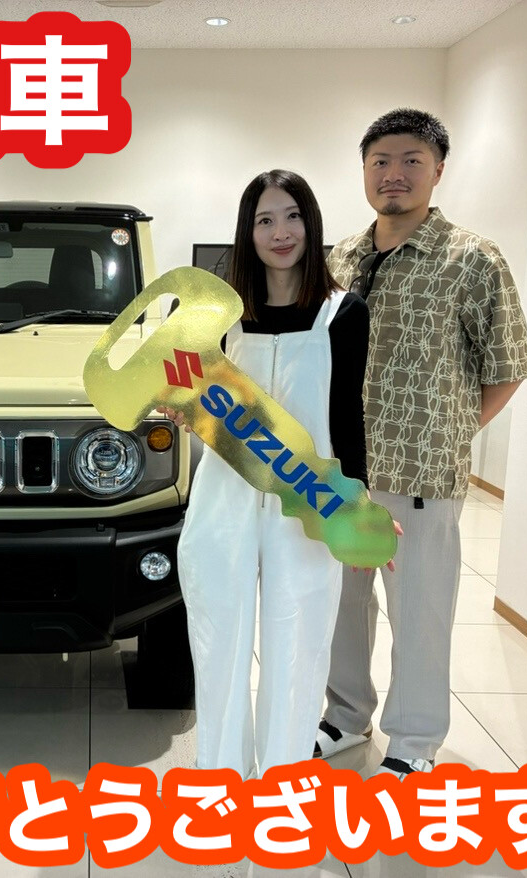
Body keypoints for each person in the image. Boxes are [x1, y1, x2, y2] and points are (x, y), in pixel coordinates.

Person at [316, 108, 527, 779]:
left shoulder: (472, 259)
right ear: (363, 170)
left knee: (419, 612)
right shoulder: (340, 258)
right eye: (380, 161)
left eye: (411, 160)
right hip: (339, 471)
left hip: (420, 473)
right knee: (341, 604)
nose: (394, 174)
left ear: (438, 170)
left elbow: (508, 365)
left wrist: (450, 431)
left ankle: (413, 739)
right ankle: (343, 715)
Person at [166, 169, 372, 777]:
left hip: (305, 506)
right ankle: (220, 779)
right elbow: (186, 395)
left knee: (298, 645)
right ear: (247, 232)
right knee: (218, 640)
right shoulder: (215, 318)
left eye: (292, 216)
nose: (281, 233)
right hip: (223, 502)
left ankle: (282, 786)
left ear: (311, 223)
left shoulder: (343, 313)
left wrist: (359, 510)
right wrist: (179, 407)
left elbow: (347, 418)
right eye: (264, 220)